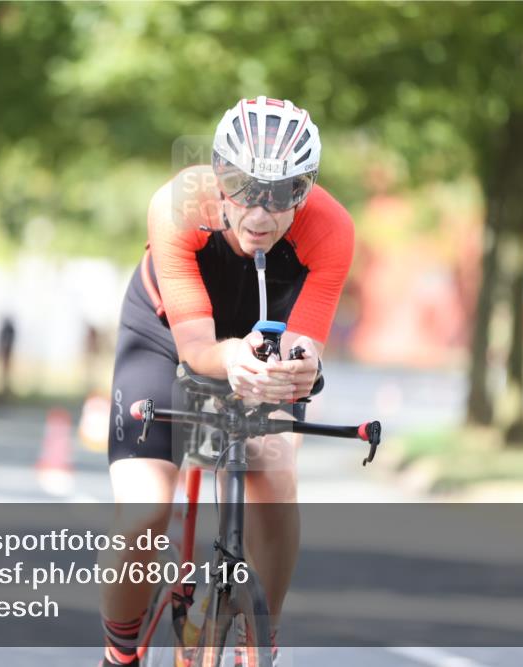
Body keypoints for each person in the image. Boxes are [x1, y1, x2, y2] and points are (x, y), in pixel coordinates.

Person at [99, 97, 354, 667]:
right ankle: (119, 653)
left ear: (306, 190)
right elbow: (195, 350)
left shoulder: (331, 228)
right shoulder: (178, 206)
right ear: (218, 174)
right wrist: (229, 358)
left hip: (263, 342)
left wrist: (300, 368)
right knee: (144, 510)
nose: (260, 213)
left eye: (284, 192)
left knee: (276, 471)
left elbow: (304, 343)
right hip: (166, 336)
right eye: (242, 186)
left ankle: (258, 636)